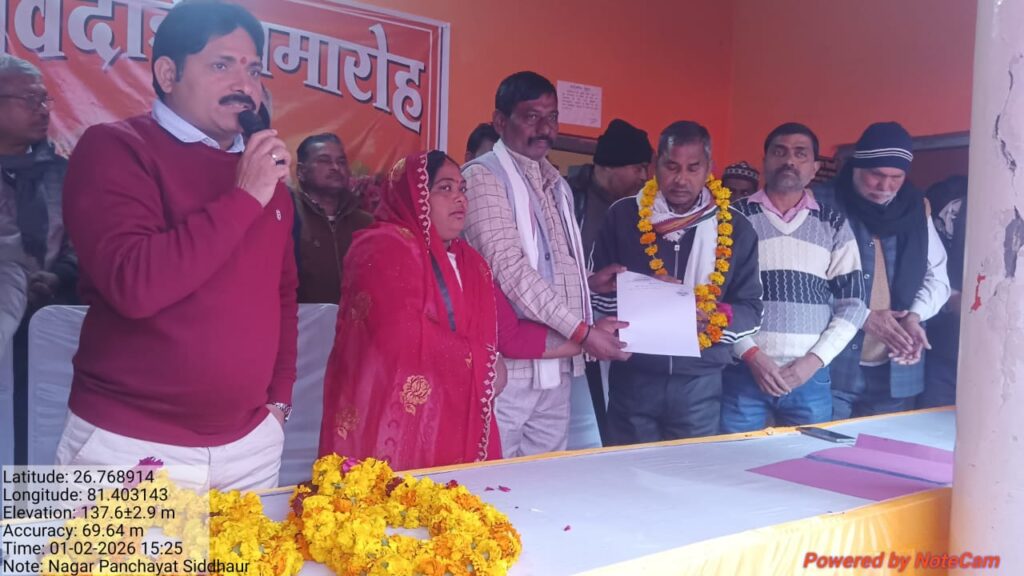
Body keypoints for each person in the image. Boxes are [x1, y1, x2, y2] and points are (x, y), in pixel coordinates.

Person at [58, 0, 297, 490]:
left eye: (253, 69)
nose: (244, 84)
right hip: (129, 447)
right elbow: (134, 286)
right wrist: (245, 196)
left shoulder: (264, 173)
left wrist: (279, 403)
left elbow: (283, 294)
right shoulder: (114, 149)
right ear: (168, 74)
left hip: (251, 448)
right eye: (221, 65)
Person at [319, 151, 617, 470]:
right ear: (415, 194)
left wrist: (592, 339)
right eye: (445, 188)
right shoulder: (382, 246)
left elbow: (510, 335)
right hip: (388, 417)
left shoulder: (471, 262)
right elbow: (398, 333)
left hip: (447, 419)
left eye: (462, 188)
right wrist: (483, 363)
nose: (459, 198)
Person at [463, 71, 629, 458]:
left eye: (551, 117)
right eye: (531, 117)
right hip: (507, 370)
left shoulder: (556, 183)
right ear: (500, 121)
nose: (545, 128)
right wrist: (584, 332)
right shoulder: (483, 177)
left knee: (546, 477)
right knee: (494, 477)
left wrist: (589, 283)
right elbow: (510, 271)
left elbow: (548, 266)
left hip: (557, 367)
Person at [592, 120, 763, 444]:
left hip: (700, 382)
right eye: (671, 167)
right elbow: (594, 295)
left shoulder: (737, 228)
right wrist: (645, 294)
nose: (681, 179)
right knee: (624, 470)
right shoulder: (624, 216)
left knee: (688, 472)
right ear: (655, 165)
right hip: (634, 377)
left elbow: (752, 311)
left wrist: (715, 316)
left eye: (692, 168)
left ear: (709, 168)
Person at [722, 123, 867, 432]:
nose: (789, 161)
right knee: (733, 457)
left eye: (800, 154)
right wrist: (751, 355)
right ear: (765, 161)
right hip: (743, 371)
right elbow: (715, 297)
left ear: (814, 168)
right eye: (780, 152)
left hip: (809, 378)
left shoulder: (833, 223)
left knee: (808, 458)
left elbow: (854, 304)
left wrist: (813, 361)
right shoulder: (731, 219)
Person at [822, 122, 951, 418]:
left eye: (896, 177)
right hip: (832, 363)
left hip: (896, 366)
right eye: (876, 175)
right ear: (856, 166)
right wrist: (862, 317)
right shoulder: (821, 202)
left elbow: (937, 276)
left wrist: (914, 316)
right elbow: (804, 282)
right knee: (824, 444)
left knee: (882, 444)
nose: (885, 187)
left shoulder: (916, 207)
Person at [0, 54, 78, 464]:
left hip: (50, 328)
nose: (43, 109)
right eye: (30, 100)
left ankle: (30, 504)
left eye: (45, 99)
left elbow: (86, 241)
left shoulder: (64, 174)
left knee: (40, 438)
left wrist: (58, 276)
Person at [566, 117, 652, 445]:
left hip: (617, 329)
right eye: (638, 167)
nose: (645, 177)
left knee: (601, 426)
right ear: (610, 165)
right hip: (565, 325)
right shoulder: (567, 197)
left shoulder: (642, 208)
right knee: (571, 423)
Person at [292, 133, 373, 304]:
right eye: (324, 161)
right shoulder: (289, 217)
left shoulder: (366, 223)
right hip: (302, 319)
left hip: (355, 320)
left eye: (341, 162)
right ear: (301, 171)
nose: (336, 167)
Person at [919, 175, 968, 408]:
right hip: (943, 346)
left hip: (998, 354)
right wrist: (952, 297)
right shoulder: (943, 199)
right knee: (934, 419)